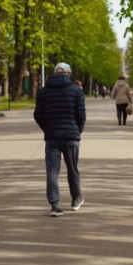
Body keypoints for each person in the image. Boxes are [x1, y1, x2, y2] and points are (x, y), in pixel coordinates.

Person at [34, 62, 86, 217]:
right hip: (71, 136)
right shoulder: (76, 90)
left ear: (55, 73)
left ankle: (55, 205)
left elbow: (38, 115)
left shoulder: (43, 92)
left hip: (52, 138)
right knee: (72, 168)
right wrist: (77, 130)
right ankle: (76, 199)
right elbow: (81, 115)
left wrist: (47, 128)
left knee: (52, 171)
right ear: (68, 74)